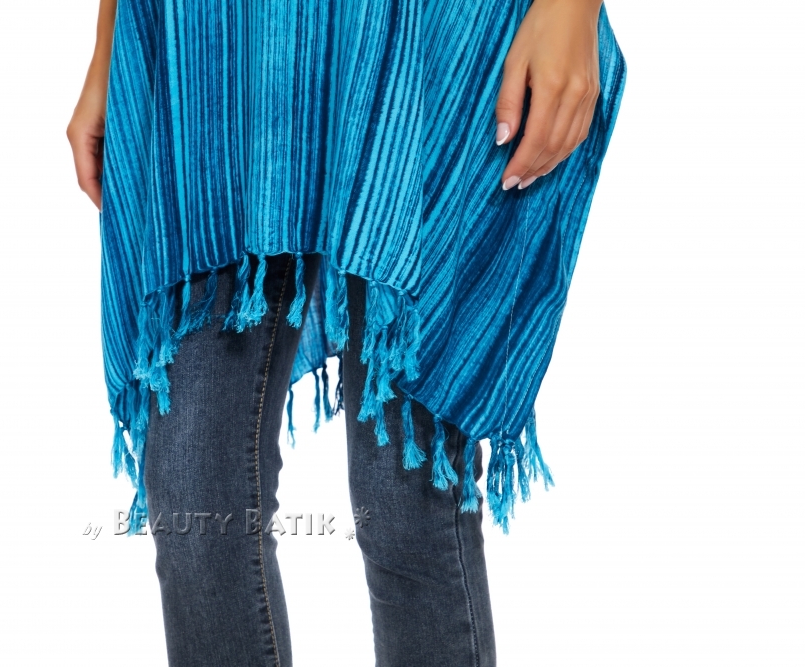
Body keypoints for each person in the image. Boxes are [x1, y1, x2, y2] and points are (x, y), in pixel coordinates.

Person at [67, 2, 624, 665]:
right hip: (221, 31)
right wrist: (106, 44)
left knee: (404, 492)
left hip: (426, 25)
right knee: (192, 487)